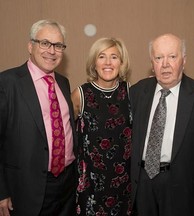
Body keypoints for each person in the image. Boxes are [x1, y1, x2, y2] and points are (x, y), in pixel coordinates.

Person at [130, 33, 194, 216]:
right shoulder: (137, 92)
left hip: (182, 187)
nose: (165, 64)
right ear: (152, 63)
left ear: (183, 61)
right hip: (142, 182)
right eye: (158, 58)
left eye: (172, 57)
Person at [0, 19, 77, 216]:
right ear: (30, 46)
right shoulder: (7, 83)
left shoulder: (63, 82)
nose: (51, 51)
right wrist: (1, 191)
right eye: (44, 43)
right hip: (26, 189)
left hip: (67, 185)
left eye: (58, 45)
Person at [71, 37, 132, 216]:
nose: (107, 62)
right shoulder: (80, 95)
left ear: (122, 63)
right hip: (90, 187)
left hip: (123, 186)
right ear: (94, 63)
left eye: (114, 57)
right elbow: (64, 134)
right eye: (101, 56)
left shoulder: (131, 93)